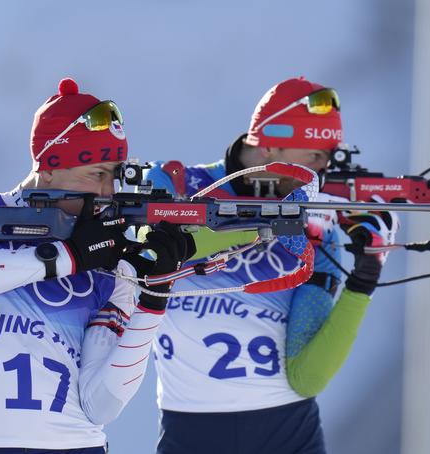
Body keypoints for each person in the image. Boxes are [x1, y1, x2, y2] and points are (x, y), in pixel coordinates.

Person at [0, 78, 193, 454]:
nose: (109, 192)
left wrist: (151, 303)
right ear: (49, 169)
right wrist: (68, 257)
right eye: (97, 174)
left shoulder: (108, 255)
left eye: (116, 174)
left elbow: (100, 405)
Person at [144, 77, 398, 454]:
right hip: (191, 429)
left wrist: (365, 277)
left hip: (288, 431)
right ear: (272, 146)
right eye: (315, 156)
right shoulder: (179, 185)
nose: (322, 172)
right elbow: (160, 252)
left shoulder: (317, 224)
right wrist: (268, 224)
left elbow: (307, 377)